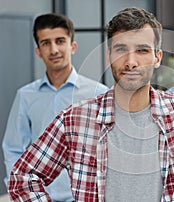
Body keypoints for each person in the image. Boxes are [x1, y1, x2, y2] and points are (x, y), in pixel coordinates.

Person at [7, 7, 174, 201]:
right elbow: (23, 176)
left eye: (142, 50)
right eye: (121, 49)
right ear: (108, 55)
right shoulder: (74, 119)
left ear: (157, 58)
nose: (131, 61)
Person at [2, 13, 109, 201]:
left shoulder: (98, 94)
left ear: (72, 46)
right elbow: (13, 149)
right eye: (46, 43)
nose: (54, 50)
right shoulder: (25, 96)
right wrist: (23, 190)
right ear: (38, 51)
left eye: (60, 41)